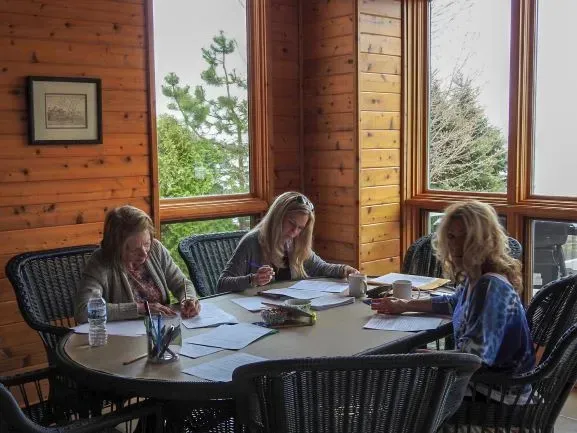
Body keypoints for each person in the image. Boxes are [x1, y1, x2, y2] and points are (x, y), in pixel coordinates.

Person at [372, 200, 535, 375]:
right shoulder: (477, 277)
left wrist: (419, 357)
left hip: (496, 391)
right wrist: (404, 305)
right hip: (479, 381)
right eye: (451, 237)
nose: (457, 245)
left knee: (388, 375)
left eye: (466, 237)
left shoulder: (490, 287)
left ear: (485, 240)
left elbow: (474, 358)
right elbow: (453, 302)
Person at [74, 205, 201, 323]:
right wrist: (140, 308)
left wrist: (188, 299)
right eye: (134, 249)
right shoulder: (101, 261)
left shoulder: (156, 248)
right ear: (116, 247)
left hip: (162, 329)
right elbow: (84, 311)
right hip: (122, 338)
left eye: (147, 244)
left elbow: (181, 284)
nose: (144, 254)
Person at [218, 191, 358, 292]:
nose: (294, 232)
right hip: (256, 315)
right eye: (291, 223)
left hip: (288, 310)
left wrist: (344, 270)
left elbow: (320, 267)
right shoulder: (252, 242)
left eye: (300, 228)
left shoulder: (295, 242)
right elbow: (222, 284)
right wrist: (253, 280)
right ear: (278, 217)